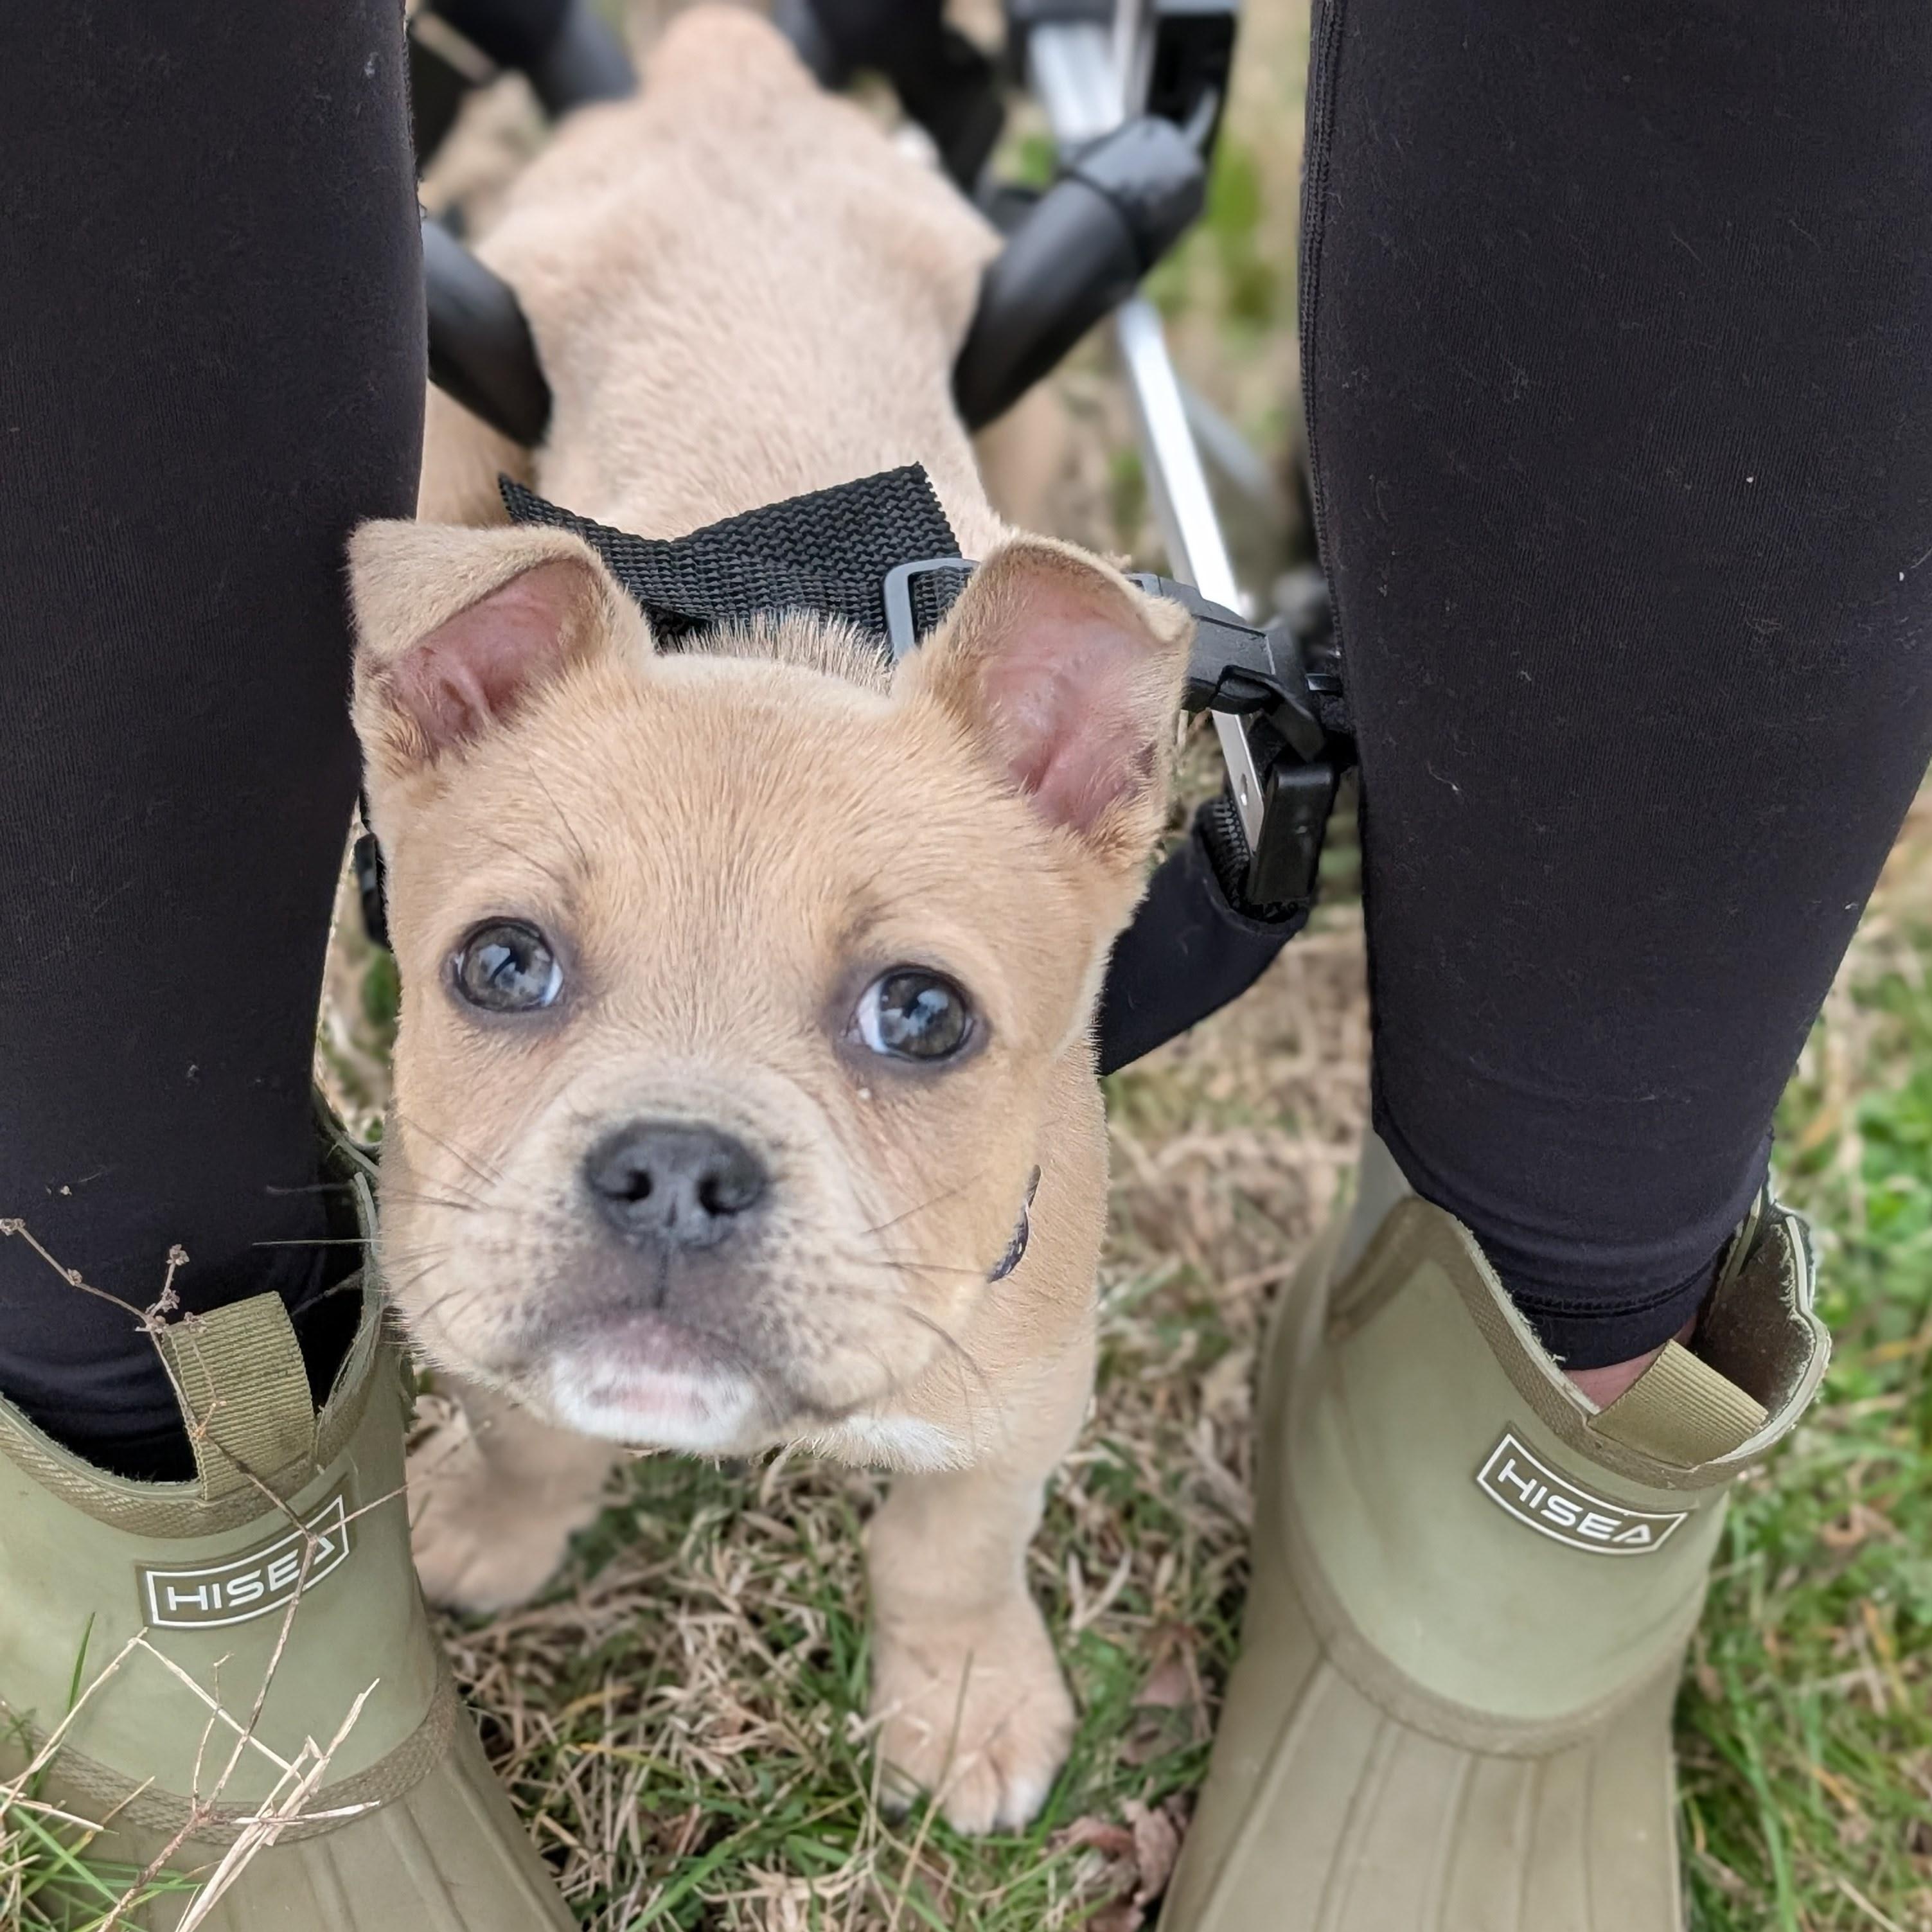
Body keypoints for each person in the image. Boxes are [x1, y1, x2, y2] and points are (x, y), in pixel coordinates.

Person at [1, 2, 1924, 1929]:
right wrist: (523, 1469)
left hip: (890, 246)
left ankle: (1517, 1398)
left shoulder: (1027, 834)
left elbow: (1001, 1426)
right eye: (513, 966)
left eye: (910, 1012)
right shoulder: (481, 671)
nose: (672, 1171)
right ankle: (263, 1447)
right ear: (422, 718)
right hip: (606, 245)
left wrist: (955, 1603)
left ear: (1097, 805)